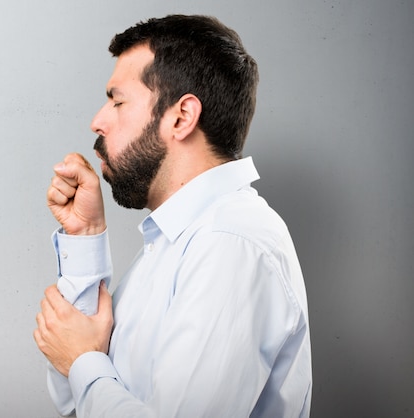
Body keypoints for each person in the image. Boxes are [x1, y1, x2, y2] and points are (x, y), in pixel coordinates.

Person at [33, 14, 312, 417]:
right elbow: (74, 397)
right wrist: (85, 236)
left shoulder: (230, 243)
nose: (98, 120)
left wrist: (82, 361)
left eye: (117, 100)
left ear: (181, 117)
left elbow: (82, 369)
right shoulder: (173, 242)